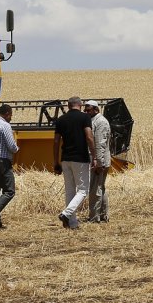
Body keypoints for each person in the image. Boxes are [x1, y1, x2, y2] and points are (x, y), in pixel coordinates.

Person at [52, 97, 98, 229]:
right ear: (80, 104)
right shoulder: (84, 118)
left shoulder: (61, 120)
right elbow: (89, 137)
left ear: (68, 106)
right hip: (80, 158)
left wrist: (56, 161)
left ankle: (72, 223)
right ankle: (66, 214)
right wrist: (94, 156)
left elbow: (56, 142)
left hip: (65, 158)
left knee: (70, 191)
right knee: (83, 190)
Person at [85, 100, 112, 223]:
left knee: (95, 189)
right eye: (85, 109)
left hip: (100, 161)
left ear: (96, 109)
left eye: (88, 109)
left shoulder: (100, 122)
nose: (86, 112)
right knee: (100, 187)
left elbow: (100, 144)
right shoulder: (95, 120)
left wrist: (98, 163)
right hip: (100, 160)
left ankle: (95, 217)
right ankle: (103, 215)